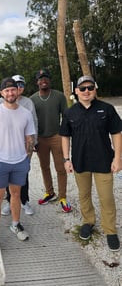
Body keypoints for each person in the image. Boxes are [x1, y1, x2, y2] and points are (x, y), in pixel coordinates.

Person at [60, 75, 122, 251]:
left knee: (107, 198)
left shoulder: (107, 109)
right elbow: (65, 136)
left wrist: (118, 158)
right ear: (76, 91)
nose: (86, 91)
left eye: (90, 87)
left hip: (104, 161)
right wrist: (66, 159)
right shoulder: (70, 112)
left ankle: (110, 231)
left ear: (95, 89)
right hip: (80, 162)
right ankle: (88, 222)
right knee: (84, 195)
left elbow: (117, 133)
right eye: (82, 88)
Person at [0, 77, 36, 241]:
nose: (10, 93)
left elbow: (29, 138)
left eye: (13, 89)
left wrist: (27, 158)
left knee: (16, 194)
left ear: (18, 90)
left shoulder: (26, 113)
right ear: (2, 93)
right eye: (7, 90)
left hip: (19, 162)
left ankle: (16, 224)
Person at [0, 74, 38, 216]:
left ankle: (24, 201)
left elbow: (34, 124)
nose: (18, 88)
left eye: (21, 85)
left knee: (23, 175)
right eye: (16, 85)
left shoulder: (28, 102)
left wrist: (31, 146)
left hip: (23, 148)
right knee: (8, 177)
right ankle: (10, 202)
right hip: (5, 148)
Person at [30, 68, 72, 213]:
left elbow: (66, 117)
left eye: (46, 78)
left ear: (50, 80)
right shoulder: (32, 99)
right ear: (37, 82)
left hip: (56, 136)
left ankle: (62, 197)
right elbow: (31, 121)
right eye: (40, 78)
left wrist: (64, 134)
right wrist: (33, 139)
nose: (43, 80)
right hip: (40, 138)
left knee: (61, 168)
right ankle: (49, 193)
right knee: (44, 167)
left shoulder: (59, 96)